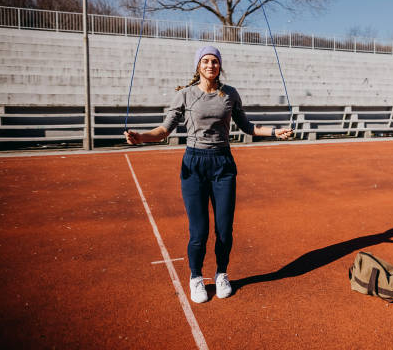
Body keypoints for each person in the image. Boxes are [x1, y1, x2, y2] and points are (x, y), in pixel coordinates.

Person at [124, 46, 292, 303]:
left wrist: (274, 131)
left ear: (219, 66)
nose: (210, 65)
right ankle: (196, 277)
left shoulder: (230, 94)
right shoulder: (185, 95)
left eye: (214, 61)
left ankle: (222, 274)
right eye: (205, 61)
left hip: (223, 164)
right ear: (198, 66)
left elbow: (247, 127)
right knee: (199, 232)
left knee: (224, 229)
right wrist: (141, 137)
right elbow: (164, 130)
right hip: (194, 165)